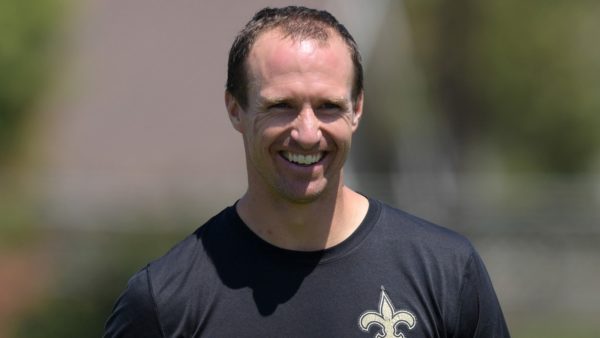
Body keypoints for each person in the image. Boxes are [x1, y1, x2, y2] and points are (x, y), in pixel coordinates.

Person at [104, 6, 509, 338]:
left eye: (328, 106)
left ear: (358, 109)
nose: (307, 132)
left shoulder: (447, 273)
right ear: (235, 110)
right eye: (282, 105)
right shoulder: (166, 302)